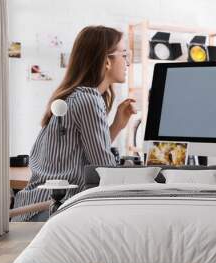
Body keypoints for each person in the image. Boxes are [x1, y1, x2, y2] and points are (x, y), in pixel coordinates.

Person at [12, 26, 136, 221]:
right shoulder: (89, 100)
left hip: (35, 208)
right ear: (106, 61)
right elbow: (104, 170)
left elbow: (82, 153)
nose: (128, 62)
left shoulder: (75, 96)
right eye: (124, 54)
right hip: (48, 211)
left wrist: (117, 126)